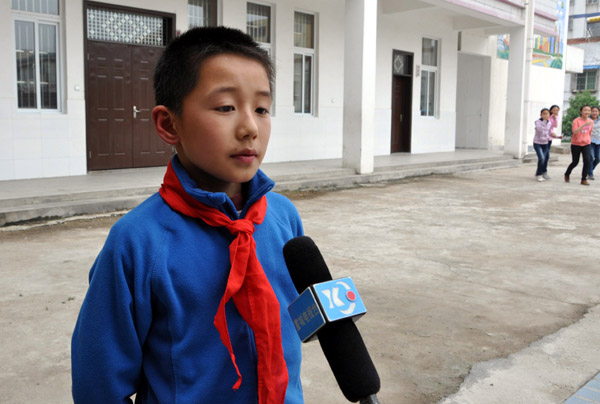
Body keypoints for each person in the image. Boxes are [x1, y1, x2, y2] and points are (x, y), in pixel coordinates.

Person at [71, 27, 305, 404]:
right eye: (226, 107)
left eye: (262, 109)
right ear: (169, 124)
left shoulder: (283, 217)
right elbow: (98, 384)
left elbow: (297, 319)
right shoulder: (137, 242)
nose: (250, 128)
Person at [565, 104, 593, 186]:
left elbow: (589, 132)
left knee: (587, 160)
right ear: (581, 112)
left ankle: (583, 179)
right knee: (575, 162)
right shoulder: (576, 121)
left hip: (586, 144)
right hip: (576, 144)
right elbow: (575, 132)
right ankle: (567, 173)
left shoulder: (591, 121)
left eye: (589, 110)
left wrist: (589, 140)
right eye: (585, 110)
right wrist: (584, 125)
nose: (587, 112)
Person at [533, 108, 552, 182]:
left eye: (547, 114)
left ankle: (539, 172)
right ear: (541, 115)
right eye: (544, 114)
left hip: (545, 143)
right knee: (541, 158)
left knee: (544, 159)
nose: (545, 115)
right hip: (537, 143)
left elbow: (548, 133)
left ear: (549, 115)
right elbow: (539, 130)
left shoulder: (549, 123)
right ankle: (539, 175)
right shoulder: (537, 122)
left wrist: (556, 136)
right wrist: (544, 121)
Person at [546, 104, 563, 179]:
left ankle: (544, 171)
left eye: (557, 110)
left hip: (549, 138)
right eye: (554, 110)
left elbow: (555, 126)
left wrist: (555, 118)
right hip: (543, 138)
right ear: (551, 110)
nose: (555, 111)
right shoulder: (547, 116)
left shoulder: (556, 117)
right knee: (543, 156)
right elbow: (547, 126)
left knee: (546, 156)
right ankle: (540, 171)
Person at [589, 106, 600, 180]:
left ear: (598, 112)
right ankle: (590, 174)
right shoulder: (588, 120)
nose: (594, 113)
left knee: (598, 158)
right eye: (593, 111)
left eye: (596, 111)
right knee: (591, 157)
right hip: (590, 141)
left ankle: (589, 170)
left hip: (599, 141)